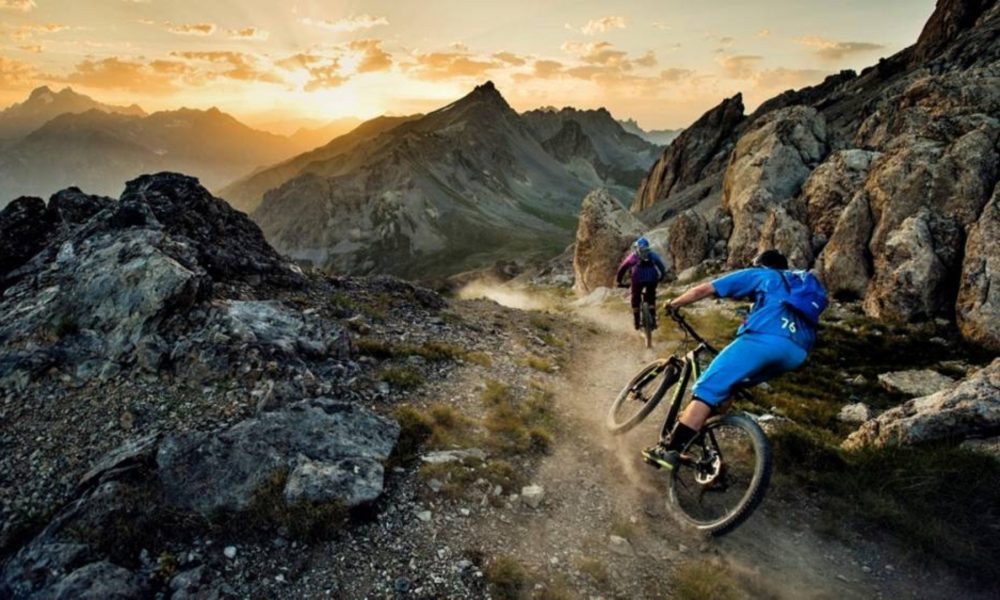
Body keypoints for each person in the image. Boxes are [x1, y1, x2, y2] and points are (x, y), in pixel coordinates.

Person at [641, 249, 816, 470]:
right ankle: (700, 438)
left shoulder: (762, 275)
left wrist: (673, 304)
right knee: (728, 388)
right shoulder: (800, 286)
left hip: (764, 341)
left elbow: (705, 289)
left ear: (761, 265)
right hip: (797, 353)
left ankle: (669, 451)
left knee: (707, 389)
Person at [615, 237, 668, 331]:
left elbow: (622, 269)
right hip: (652, 278)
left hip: (637, 279)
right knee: (651, 297)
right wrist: (662, 276)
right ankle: (653, 319)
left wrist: (619, 281)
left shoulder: (633, 256)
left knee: (635, 297)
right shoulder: (652, 255)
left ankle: (636, 321)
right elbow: (661, 266)